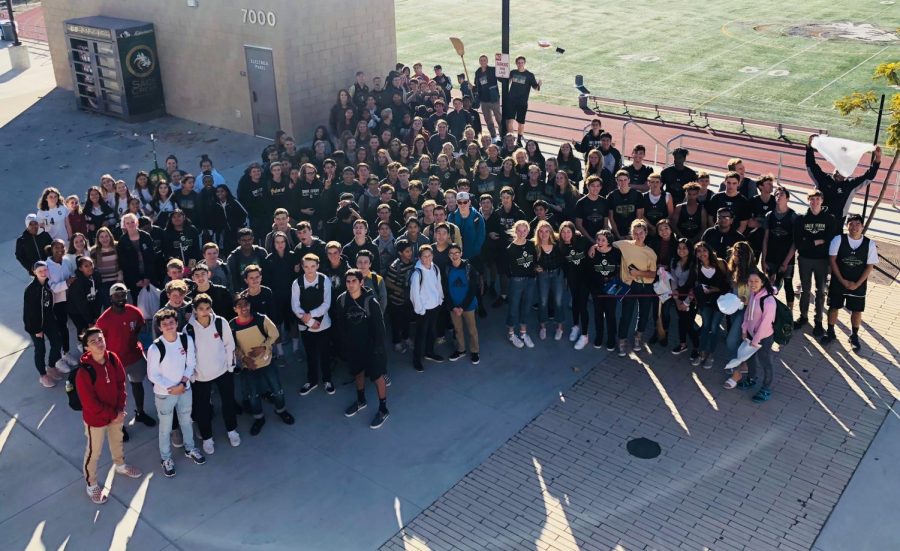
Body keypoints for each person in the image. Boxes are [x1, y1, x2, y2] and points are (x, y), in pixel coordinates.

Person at [76, 328, 142, 504]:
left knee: (117, 440)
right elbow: (90, 403)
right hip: (96, 420)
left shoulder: (113, 358)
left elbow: (121, 384)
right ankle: (91, 484)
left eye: (100, 338)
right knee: (93, 452)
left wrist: (120, 410)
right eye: (93, 341)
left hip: (116, 414)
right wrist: (114, 414)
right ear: (86, 348)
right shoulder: (84, 371)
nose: (99, 343)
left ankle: (120, 465)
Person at [146, 308, 206, 477]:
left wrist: (183, 383)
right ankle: (166, 458)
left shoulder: (186, 340)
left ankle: (190, 448)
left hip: (185, 389)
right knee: (165, 428)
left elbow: (191, 363)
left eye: (171, 322)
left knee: (187, 420)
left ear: (177, 323)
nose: (169, 326)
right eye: (164, 324)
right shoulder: (155, 348)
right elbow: (153, 375)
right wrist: (173, 388)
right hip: (165, 395)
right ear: (159, 327)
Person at [230, 292, 295, 435]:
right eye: (239, 306)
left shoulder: (261, 319)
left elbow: (274, 334)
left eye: (245, 304)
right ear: (235, 309)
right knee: (253, 395)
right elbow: (232, 346)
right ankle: (259, 418)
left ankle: (281, 411)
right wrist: (244, 359)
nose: (243, 308)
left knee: (277, 390)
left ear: (250, 305)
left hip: (267, 363)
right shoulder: (232, 325)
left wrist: (264, 347)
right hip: (249, 366)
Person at [333, 269, 390, 429]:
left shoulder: (371, 302)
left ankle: (383, 409)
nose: (350, 285)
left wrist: (378, 349)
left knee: (377, 377)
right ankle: (361, 400)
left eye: (354, 281)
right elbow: (341, 324)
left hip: (372, 348)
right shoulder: (342, 300)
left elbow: (380, 329)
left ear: (361, 283)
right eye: (348, 282)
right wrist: (345, 345)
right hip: (354, 347)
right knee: (358, 372)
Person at [96, 283, 157, 429]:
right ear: (111, 298)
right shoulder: (103, 320)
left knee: (138, 384)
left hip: (135, 357)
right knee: (117, 393)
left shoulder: (134, 312)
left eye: (123, 294)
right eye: (117, 295)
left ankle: (140, 412)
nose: (121, 298)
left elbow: (139, 328)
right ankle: (118, 423)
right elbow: (98, 342)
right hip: (115, 362)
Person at [187, 294, 240, 454]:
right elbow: (189, 356)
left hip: (223, 372)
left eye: (207, 308)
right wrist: (192, 376)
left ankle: (232, 430)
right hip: (201, 377)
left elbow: (229, 345)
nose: (205, 312)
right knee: (203, 409)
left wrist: (230, 367)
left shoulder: (220, 322)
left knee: (228, 403)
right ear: (195, 310)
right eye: (201, 309)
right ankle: (207, 438)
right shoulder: (188, 330)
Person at [822, 214, 879, 351]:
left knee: (857, 310)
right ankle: (830, 332)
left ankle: (854, 336)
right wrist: (842, 280)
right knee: (833, 307)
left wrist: (857, 284)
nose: (854, 227)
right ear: (847, 226)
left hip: (858, 284)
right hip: (839, 281)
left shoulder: (869, 244)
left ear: (862, 226)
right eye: (851, 224)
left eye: (857, 224)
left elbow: (870, 266)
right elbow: (832, 260)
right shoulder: (838, 240)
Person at [794, 190, 840, 335]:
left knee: (820, 292)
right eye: (812, 199)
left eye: (817, 199)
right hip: (805, 259)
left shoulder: (829, 219)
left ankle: (818, 321)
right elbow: (798, 243)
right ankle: (803, 316)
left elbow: (831, 240)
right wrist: (817, 241)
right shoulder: (801, 219)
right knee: (805, 290)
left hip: (822, 260)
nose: (815, 202)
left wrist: (810, 242)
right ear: (808, 201)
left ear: (822, 201)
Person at [806, 135, 881, 218]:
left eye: (842, 170)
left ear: (848, 172)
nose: (838, 172)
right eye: (837, 168)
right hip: (819, 220)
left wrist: (878, 158)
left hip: (837, 223)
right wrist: (810, 146)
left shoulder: (851, 185)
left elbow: (869, 176)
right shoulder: (823, 179)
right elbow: (811, 165)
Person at [612, 220, 658, 356]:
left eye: (641, 233)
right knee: (626, 315)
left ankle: (638, 338)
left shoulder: (651, 252)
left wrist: (639, 273)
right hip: (629, 286)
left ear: (646, 233)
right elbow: (607, 243)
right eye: (635, 233)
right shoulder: (624, 245)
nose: (638, 236)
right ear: (631, 234)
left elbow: (653, 274)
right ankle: (622, 341)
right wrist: (594, 246)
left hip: (646, 286)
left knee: (643, 315)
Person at [732, 271, 778, 403]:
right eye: (750, 281)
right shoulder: (753, 294)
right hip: (751, 335)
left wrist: (756, 340)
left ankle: (766, 389)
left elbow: (765, 323)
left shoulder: (769, 301)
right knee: (751, 359)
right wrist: (744, 329)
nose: (752, 284)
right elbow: (747, 314)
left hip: (764, 338)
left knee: (766, 362)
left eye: (756, 281)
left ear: (762, 282)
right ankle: (751, 379)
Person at [292, 253, 334, 396]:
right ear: (302, 267)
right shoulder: (297, 283)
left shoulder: (324, 280)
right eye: (306, 266)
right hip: (305, 325)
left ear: (317, 266)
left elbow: (326, 304)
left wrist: (312, 315)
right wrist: (309, 321)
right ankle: (312, 381)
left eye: (312, 266)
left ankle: (327, 380)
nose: (309, 269)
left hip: (324, 325)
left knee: (325, 354)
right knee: (310, 354)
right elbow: (295, 306)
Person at [23, 261, 65, 387]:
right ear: (34, 272)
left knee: (57, 342)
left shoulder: (47, 285)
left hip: (48, 320)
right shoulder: (31, 290)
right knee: (40, 349)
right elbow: (29, 312)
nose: (43, 273)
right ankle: (43, 375)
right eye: (40, 271)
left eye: (45, 270)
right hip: (35, 325)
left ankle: (51, 367)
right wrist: (36, 329)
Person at [692, 242, 730, 369]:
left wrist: (714, 290)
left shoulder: (720, 263)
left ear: (709, 251)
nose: (702, 253)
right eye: (699, 251)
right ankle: (702, 353)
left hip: (720, 302)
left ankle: (711, 355)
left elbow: (727, 284)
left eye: (704, 250)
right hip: (705, 303)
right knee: (705, 326)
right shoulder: (696, 267)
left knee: (714, 328)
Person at [761, 185, 797, 310]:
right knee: (769, 284)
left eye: (781, 195)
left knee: (787, 284)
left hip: (787, 259)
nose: (778, 196)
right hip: (771, 257)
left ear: (788, 198)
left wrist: (786, 262)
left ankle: (789, 312)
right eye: (776, 194)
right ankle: (767, 310)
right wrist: (763, 259)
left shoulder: (793, 216)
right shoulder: (769, 215)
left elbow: (795, 243)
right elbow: (765, 239)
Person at [443, 244, 481, 364]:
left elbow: (473, 289)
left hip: (468, 306)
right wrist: (453, 306)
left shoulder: (469, 268)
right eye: (451, 253)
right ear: (449, 256)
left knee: (472, 329)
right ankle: (461, 350)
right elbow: (445, 289)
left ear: (461, 253)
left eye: (457, 253)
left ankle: (475, 351)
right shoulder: (446, 269)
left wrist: (462, 307)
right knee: (458, 329)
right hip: (453, 307)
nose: (454, 256)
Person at [410, 245, 445, 371]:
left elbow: (438, 284)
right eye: (424, 256)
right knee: (420, 335)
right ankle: (416, 359)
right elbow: (414, 295)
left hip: (435, 306)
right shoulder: (417, 273)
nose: (427, 258)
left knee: (432, 331)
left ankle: (429, 352)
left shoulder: (435, 268)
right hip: (423, 310)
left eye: (429, 255)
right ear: (419, 258)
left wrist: (440, 298)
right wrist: (420, 310)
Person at [505, 220, 537, 348]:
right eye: (519, 230)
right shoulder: (510, 249)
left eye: (524, 230)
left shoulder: (532, 245)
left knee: (527, 306)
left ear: (528, 231)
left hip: (530, 280)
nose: (522, 233)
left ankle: (523, 333)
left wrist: (536, 269)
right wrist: (514, 277)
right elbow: (506, 268)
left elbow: (535, 260)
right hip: (516, 281)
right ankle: (511, 333)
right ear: (515, 231)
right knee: (513, 307)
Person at [533, 220, 566, 341]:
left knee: (558, 301)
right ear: (538, 233)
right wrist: (535, 267)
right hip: (543, 276)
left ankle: (560, 327)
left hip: (557, 274)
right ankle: (543, 326)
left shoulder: (557, 243)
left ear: (551, 232)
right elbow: (530, 261)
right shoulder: (535, 246)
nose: (544, 234)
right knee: (542, 301)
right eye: (541, 231)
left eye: (547, 231)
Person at [505, 56, 541, 140]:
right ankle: (511, 139)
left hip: (522, 102)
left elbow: (536, 88)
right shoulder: (513, 72)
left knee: (521, 122)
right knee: (509, 120)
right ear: (516, 63)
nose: (520, 64)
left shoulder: (530, 75)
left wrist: (539, 84)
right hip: (511, 101)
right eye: (518, 63)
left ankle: (519, 139)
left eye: (522, 62)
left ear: (524, 63)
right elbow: (507, 83)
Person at [607, 170, 644, 240]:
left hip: (634, 233)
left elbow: (639, 217)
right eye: (620, 180)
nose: (623, 182)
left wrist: (632, 235)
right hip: (617, 232)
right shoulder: (611, 196)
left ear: (629, 180)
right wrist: (618, 236)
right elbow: (611, 218)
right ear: (616, 181)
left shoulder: (637, 195)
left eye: (625, 180)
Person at [473, 54, 502, 139]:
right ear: (479, 62)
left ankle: (502, 136)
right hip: (484, 100)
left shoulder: (493, 70)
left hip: (494, 99)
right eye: (481, 60)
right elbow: (477, 87)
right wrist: (473, 87)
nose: (483, 62)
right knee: (488, 120)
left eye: (484, 60)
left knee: (499, 119)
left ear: (487, 61)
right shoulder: (477, 72)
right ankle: (493, 137)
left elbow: (501, 79)